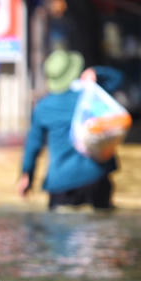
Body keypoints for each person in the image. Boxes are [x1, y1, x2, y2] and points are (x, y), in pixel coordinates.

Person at [19, 49, 124, 211]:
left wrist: (27, 174)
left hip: (61, 184)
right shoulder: (90, 95)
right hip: (95, 177)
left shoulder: (43, 107)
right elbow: (118, 78)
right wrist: (96, 72)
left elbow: (33, 145)